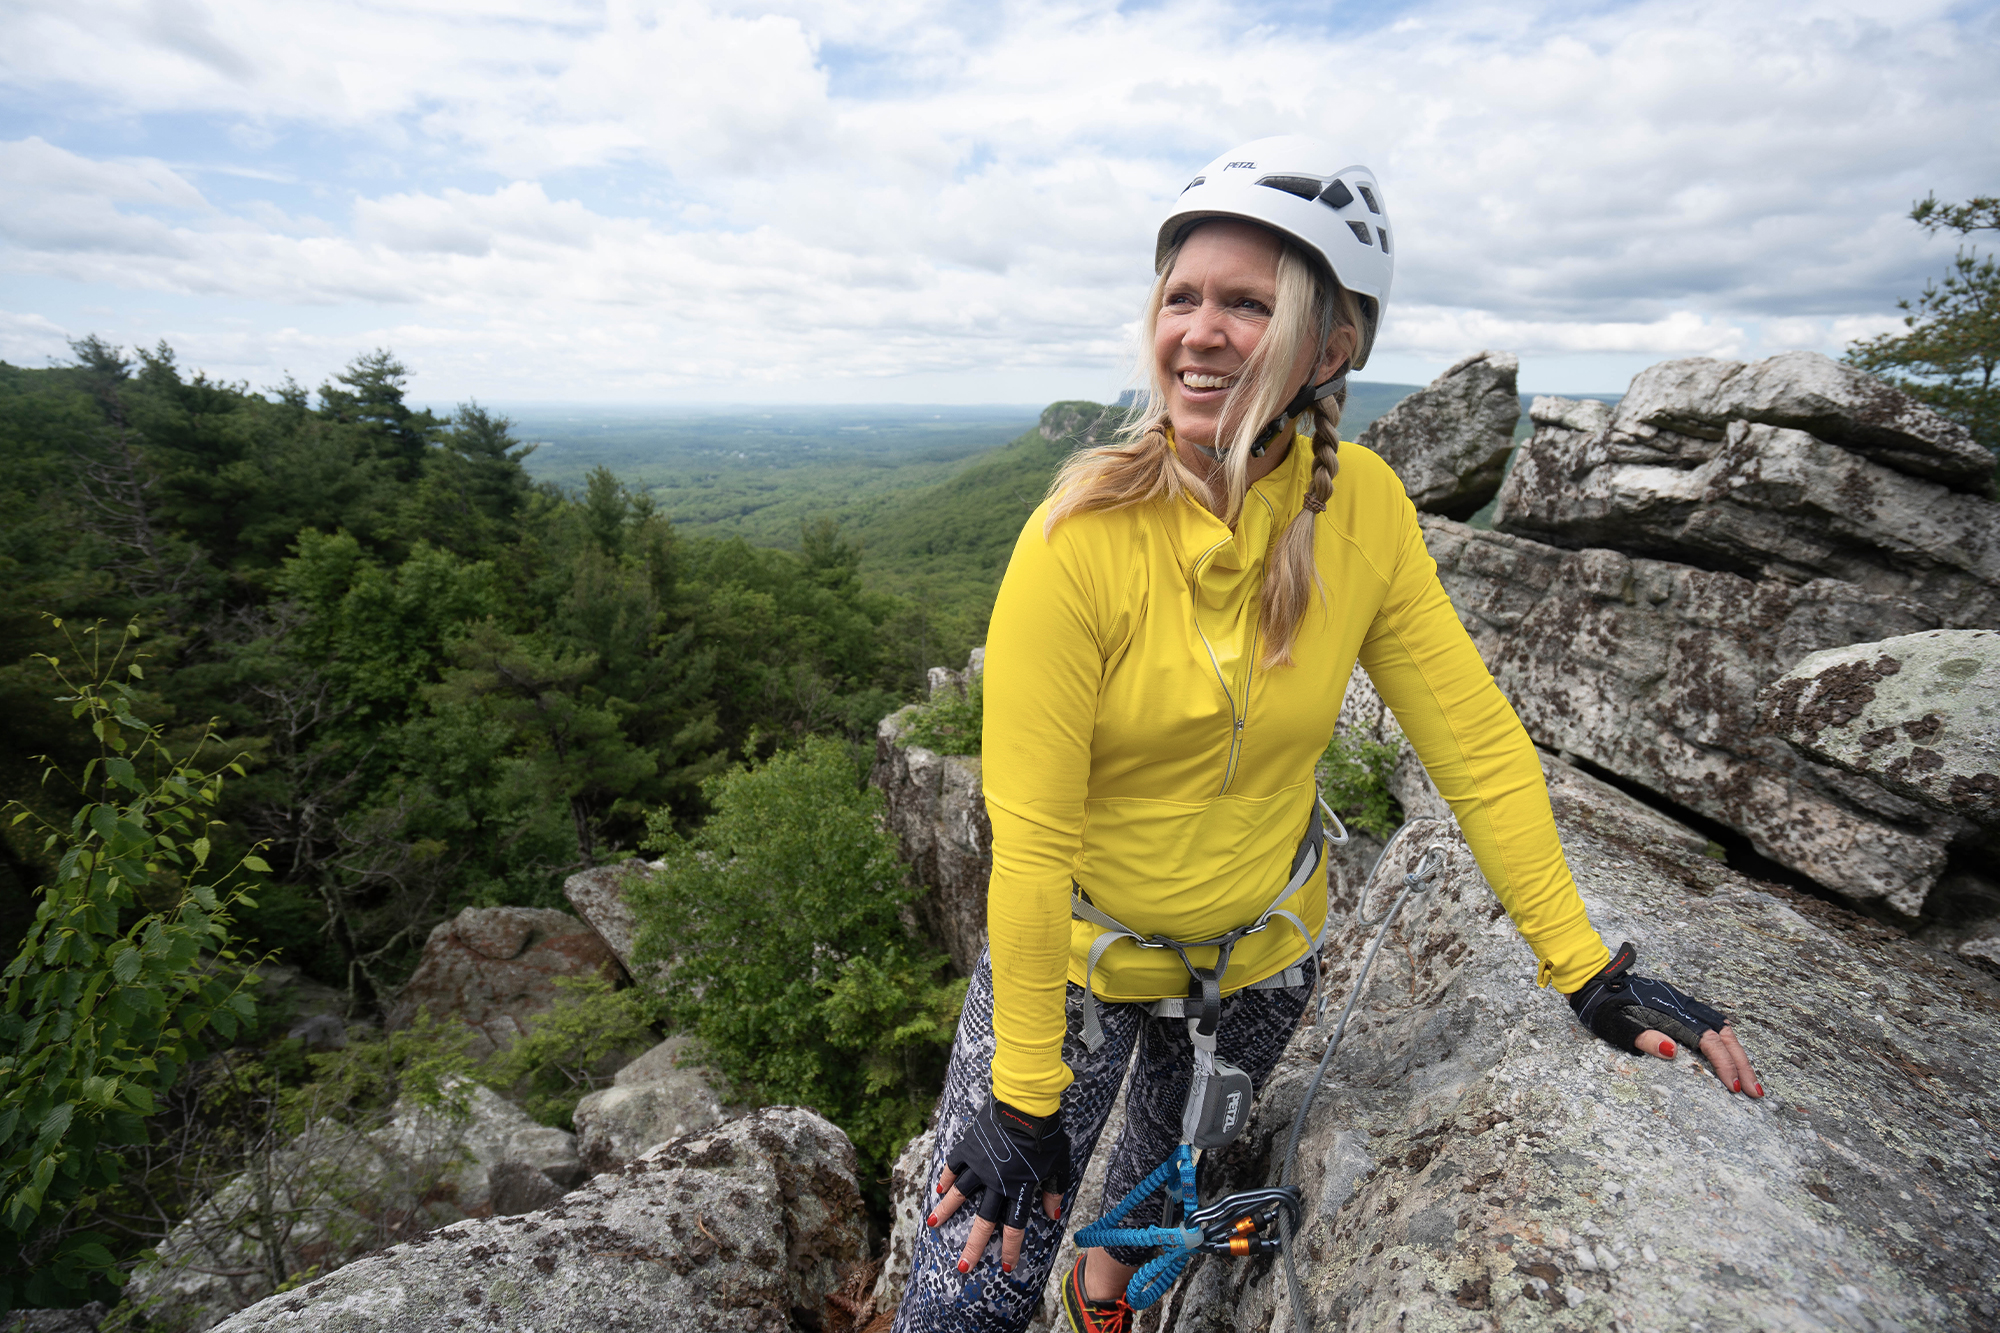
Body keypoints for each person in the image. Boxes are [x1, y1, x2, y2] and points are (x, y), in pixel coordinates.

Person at [891, 136, 1763, 1333]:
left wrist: (1585, 967)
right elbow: (1030, 836)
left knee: (1150, 1206)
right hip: (1077, 963)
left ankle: (1105, 1303)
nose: (1198, 330)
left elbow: (1472, 740)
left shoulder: (1362, 511)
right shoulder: (1078, 538)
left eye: (1247, 304)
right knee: (965, 1299)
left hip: (1255, 962)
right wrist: (1022, 1099)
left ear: (1331, 343)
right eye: (1181, 297)